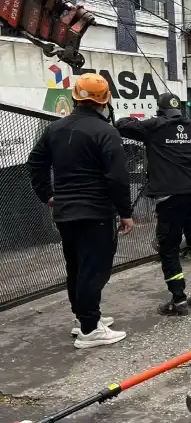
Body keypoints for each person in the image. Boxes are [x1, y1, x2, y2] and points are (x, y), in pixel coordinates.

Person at [27, 73, 134, 349]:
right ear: (104, 100)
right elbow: (118, 177)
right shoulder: (106, 132)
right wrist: (125, 212)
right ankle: (89, 329)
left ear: (75, 97)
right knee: (93, 270)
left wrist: (47, 195)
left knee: (75, 267)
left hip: (65, 212)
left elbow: (35, 163)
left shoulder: (55, 129)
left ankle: (84, 319)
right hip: (96, 212)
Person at [115, 93, 191, 316]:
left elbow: (121, 125)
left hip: (169, 197)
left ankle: (178, 300)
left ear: (160, 110)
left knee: (169, 248)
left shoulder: (155, 125)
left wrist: (148, 121)